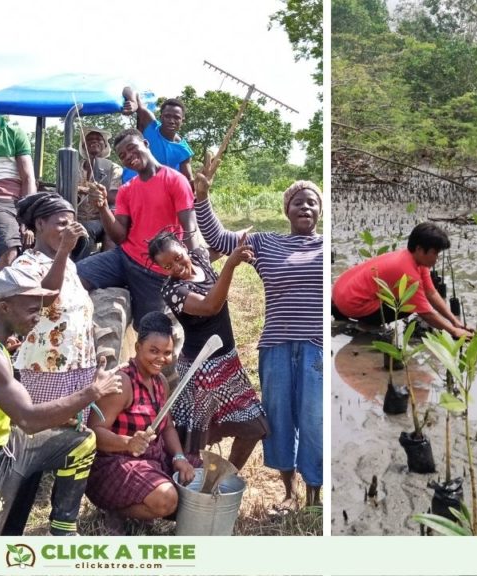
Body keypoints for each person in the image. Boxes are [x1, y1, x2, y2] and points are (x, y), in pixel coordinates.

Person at [194, 170, 323, 512]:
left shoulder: (329, 246)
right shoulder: (267, 243)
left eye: (312, 202)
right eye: (298, 202)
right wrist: (202, 197)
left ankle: (314, 493)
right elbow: (220, 240)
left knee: (314, 418)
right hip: (276, 345)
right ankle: (289, 491)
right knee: (279, 418)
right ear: (287, 210)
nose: (305, 207)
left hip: (317, 347)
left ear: (320, 211)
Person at [0, 266, 121, 535]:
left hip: (8, 441)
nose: (38, 318)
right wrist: (91, 392)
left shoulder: (0, 344)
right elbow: (28, 419)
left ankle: (62, 531)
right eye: (31, 310)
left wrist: (60, 413)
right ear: (4, 307)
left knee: (80, 441)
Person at [147, 229, 268, 470]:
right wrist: (231, 265)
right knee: (191, 441)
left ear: (183, 247)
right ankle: (184, 486)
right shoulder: (172, 291)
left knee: (254, 426)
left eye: (178, 258)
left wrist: (238, 239)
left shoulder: (200, 258)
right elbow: (210, 306)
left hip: (227, 363)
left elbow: (219, 241)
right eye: (168, 266)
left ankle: (223, 479)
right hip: (199, 370)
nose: (177, 267)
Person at [76, 128, 200, 330]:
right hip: (124, 257)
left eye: (132, 148)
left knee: (150, 329)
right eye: (122, 155)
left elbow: (189, 226)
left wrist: (197, 261)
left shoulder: (175, 180)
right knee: (73, 277)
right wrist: (103, 207)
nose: (128, 157)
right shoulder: (126, 189)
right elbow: (119, 236)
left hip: (157, 271)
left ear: (146, 144)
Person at [85, 312, 196, 532]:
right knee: (167, 499)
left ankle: (149, 499)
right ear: (137, 347)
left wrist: (180, 457)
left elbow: (168, 427)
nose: (160, 359)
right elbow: (93, 432)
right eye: (153, 351)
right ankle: (116, 509)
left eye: (166, 353)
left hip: (151, 460)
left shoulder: (161, 382)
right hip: (114, 465)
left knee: (202, 479)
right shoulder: (122, 382)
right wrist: (127, 443)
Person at [12, 193, 96, 421]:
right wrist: (63, 252)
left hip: (80, 368)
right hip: (48, 370)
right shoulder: (26, 264)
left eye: (71, 224)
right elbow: (45, 299)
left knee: (73, 440)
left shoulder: (68, 264)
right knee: (46, 437)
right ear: (39, 224)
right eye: (61, 224)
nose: (68, 230)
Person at [332, 222, 474, 339]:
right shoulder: (408, 272)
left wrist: (455, 321)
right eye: (435, 253)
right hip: (350, 303)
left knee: (409, 299)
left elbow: (431, 293)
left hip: (341, 291)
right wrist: (453, 332)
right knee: (406, 306)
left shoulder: (414, 260)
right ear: (419, 249)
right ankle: (366, 325)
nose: (437, 258)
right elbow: (425, 313)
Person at [0, 81, 36, 269]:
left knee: (59, 221)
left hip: (18, 201)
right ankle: (0, 297)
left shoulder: (14, 133)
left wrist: (27, 216)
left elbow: (28, 178)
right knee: (12, 247)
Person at [121, 88, 194, 188]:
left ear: (182, 120)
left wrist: (200, 186)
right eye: (167, 116)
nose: (171, 121)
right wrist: (133, 103)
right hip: (128, 185)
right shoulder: (151, 125)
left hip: (152, 192)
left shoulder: (184, 151)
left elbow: (188, 180)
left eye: (176, 117)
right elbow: (128, 89)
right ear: (161, 117)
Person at [74, 126, 122, 257]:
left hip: (100, 218)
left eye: (98, 139)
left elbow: (114, 196)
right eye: (89, 139)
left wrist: (83, 190)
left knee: (84, 229)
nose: (94, 141)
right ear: (83, 145)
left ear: (105, 145)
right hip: (74, 216)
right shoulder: (74, 166)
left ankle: (80, 268)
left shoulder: (113, 168)